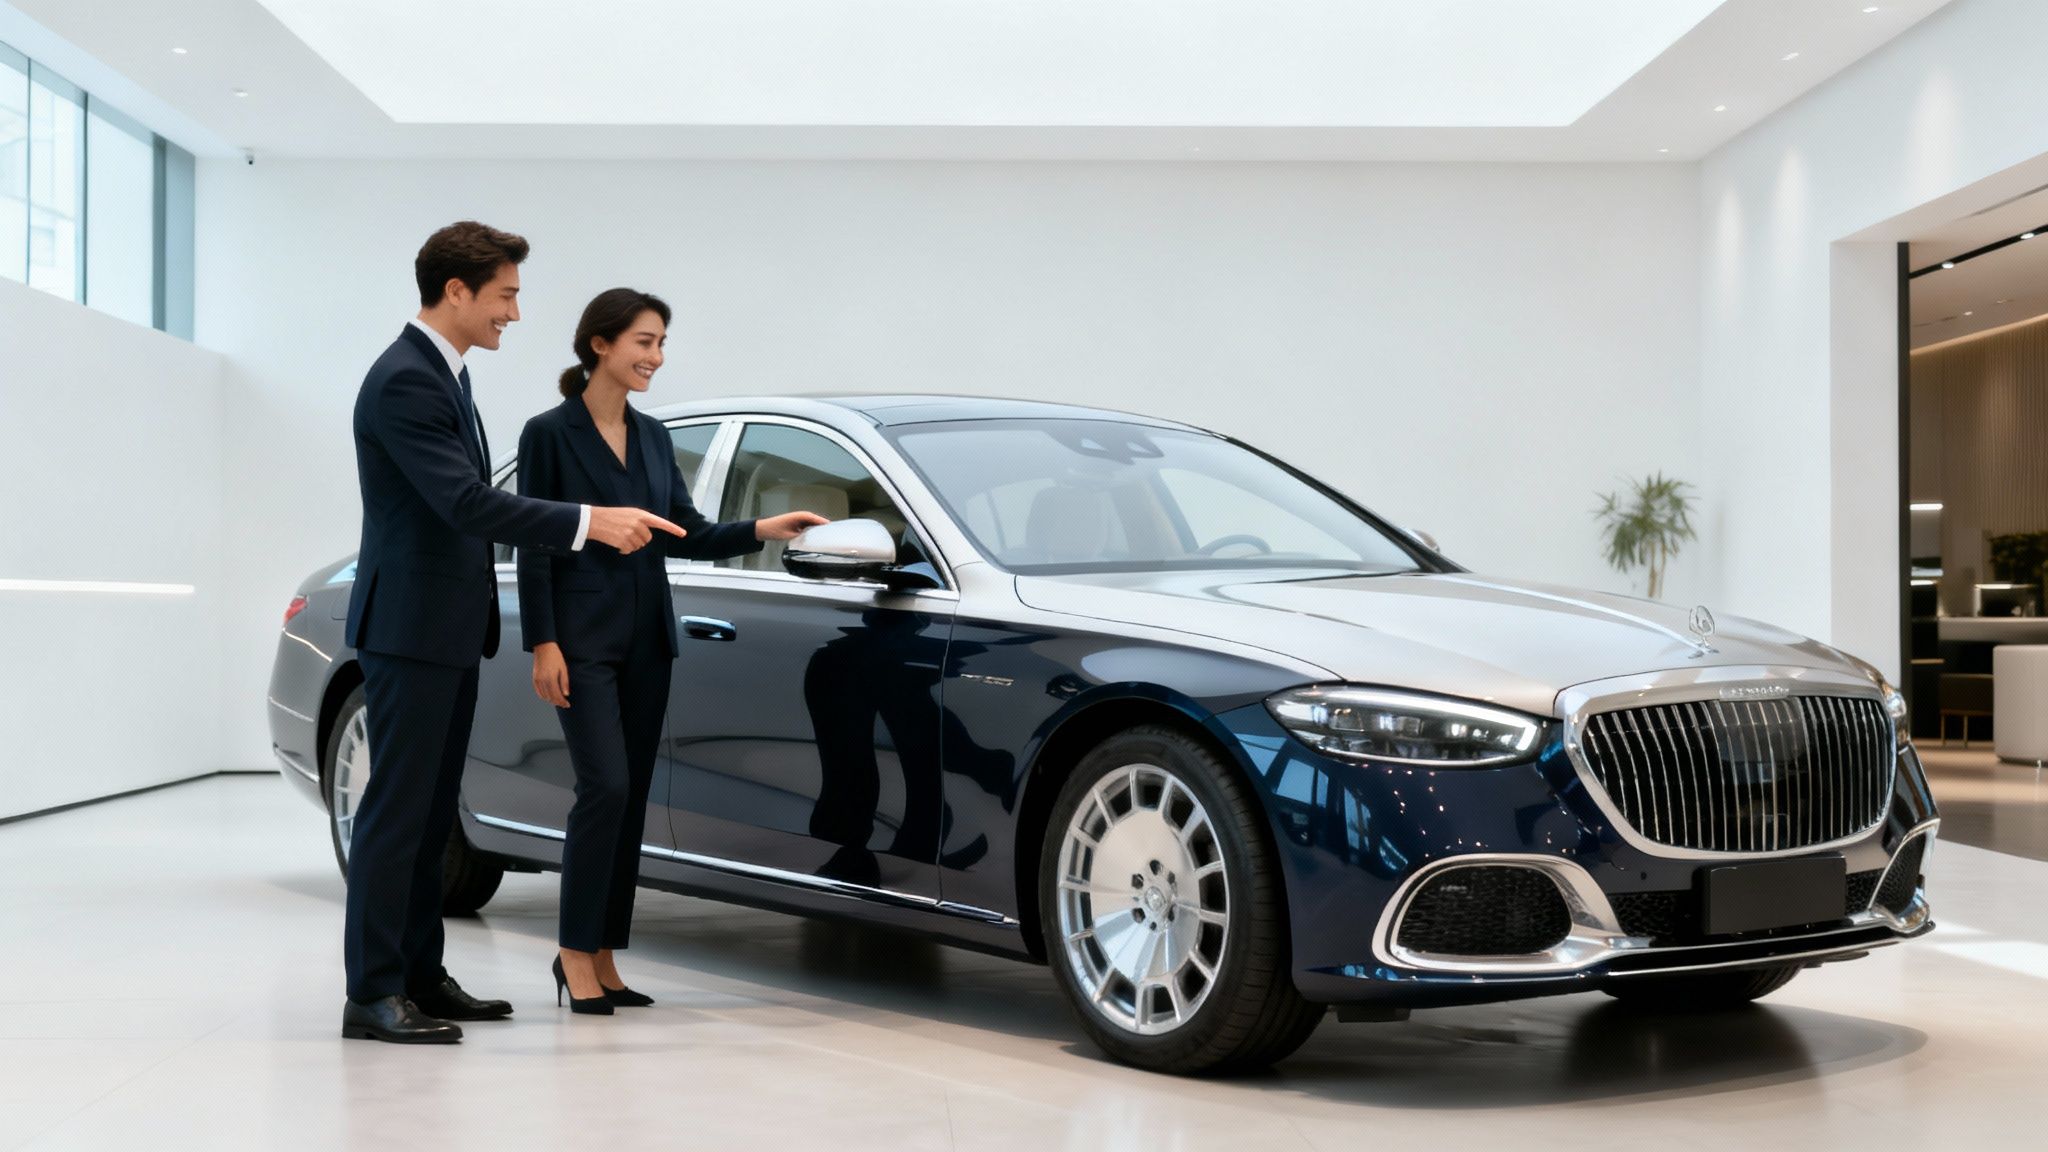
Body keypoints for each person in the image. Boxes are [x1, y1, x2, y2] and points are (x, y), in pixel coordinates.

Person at [342, 224, 686, 1044]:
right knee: (397, 816)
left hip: (445, 631)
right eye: (506, 295)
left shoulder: (443, 376)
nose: (516, 313)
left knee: (430, 819)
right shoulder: (404, 381)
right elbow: (464, 503)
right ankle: (374, 994)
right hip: (411, 630)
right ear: (455, 291)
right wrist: (586, 522)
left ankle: (420, 974)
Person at [518, 288, 828, 1013]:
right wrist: (543, 642)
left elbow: (685, 529)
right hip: (581, 643)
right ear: (600, 343)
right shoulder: (549, 435)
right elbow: (536, 542)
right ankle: (570, 950)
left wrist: (760, 528)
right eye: (644, 342)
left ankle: (602, 952)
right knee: (605, 789)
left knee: (629, 803)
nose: (655, 357)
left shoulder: (654, 437)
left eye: (661, 344)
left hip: (647, 640)